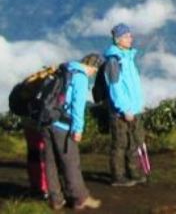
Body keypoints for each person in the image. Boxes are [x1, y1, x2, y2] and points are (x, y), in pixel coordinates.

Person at [42, 54, 104, 210]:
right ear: (92, 67)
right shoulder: (80, 77)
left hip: (47, 120)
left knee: (51, 162)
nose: (93, 74)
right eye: (95, 70)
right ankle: (79, 198)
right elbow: (77, 106)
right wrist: (78, 129)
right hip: (63, 125)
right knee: (70, 162)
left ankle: (56, 200)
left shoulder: (63, 69)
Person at [103, 23, 147, 188]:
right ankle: (118, 176)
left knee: (133, 142)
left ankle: (133, 172)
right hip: (121, 111)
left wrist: (136, 107)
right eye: (127, 36)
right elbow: (115, 87)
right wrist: (124, 108)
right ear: (118, 39)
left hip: (134, 108)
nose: (131, 38)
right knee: (120, 143)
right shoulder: (114, 61)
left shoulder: (128, 58)